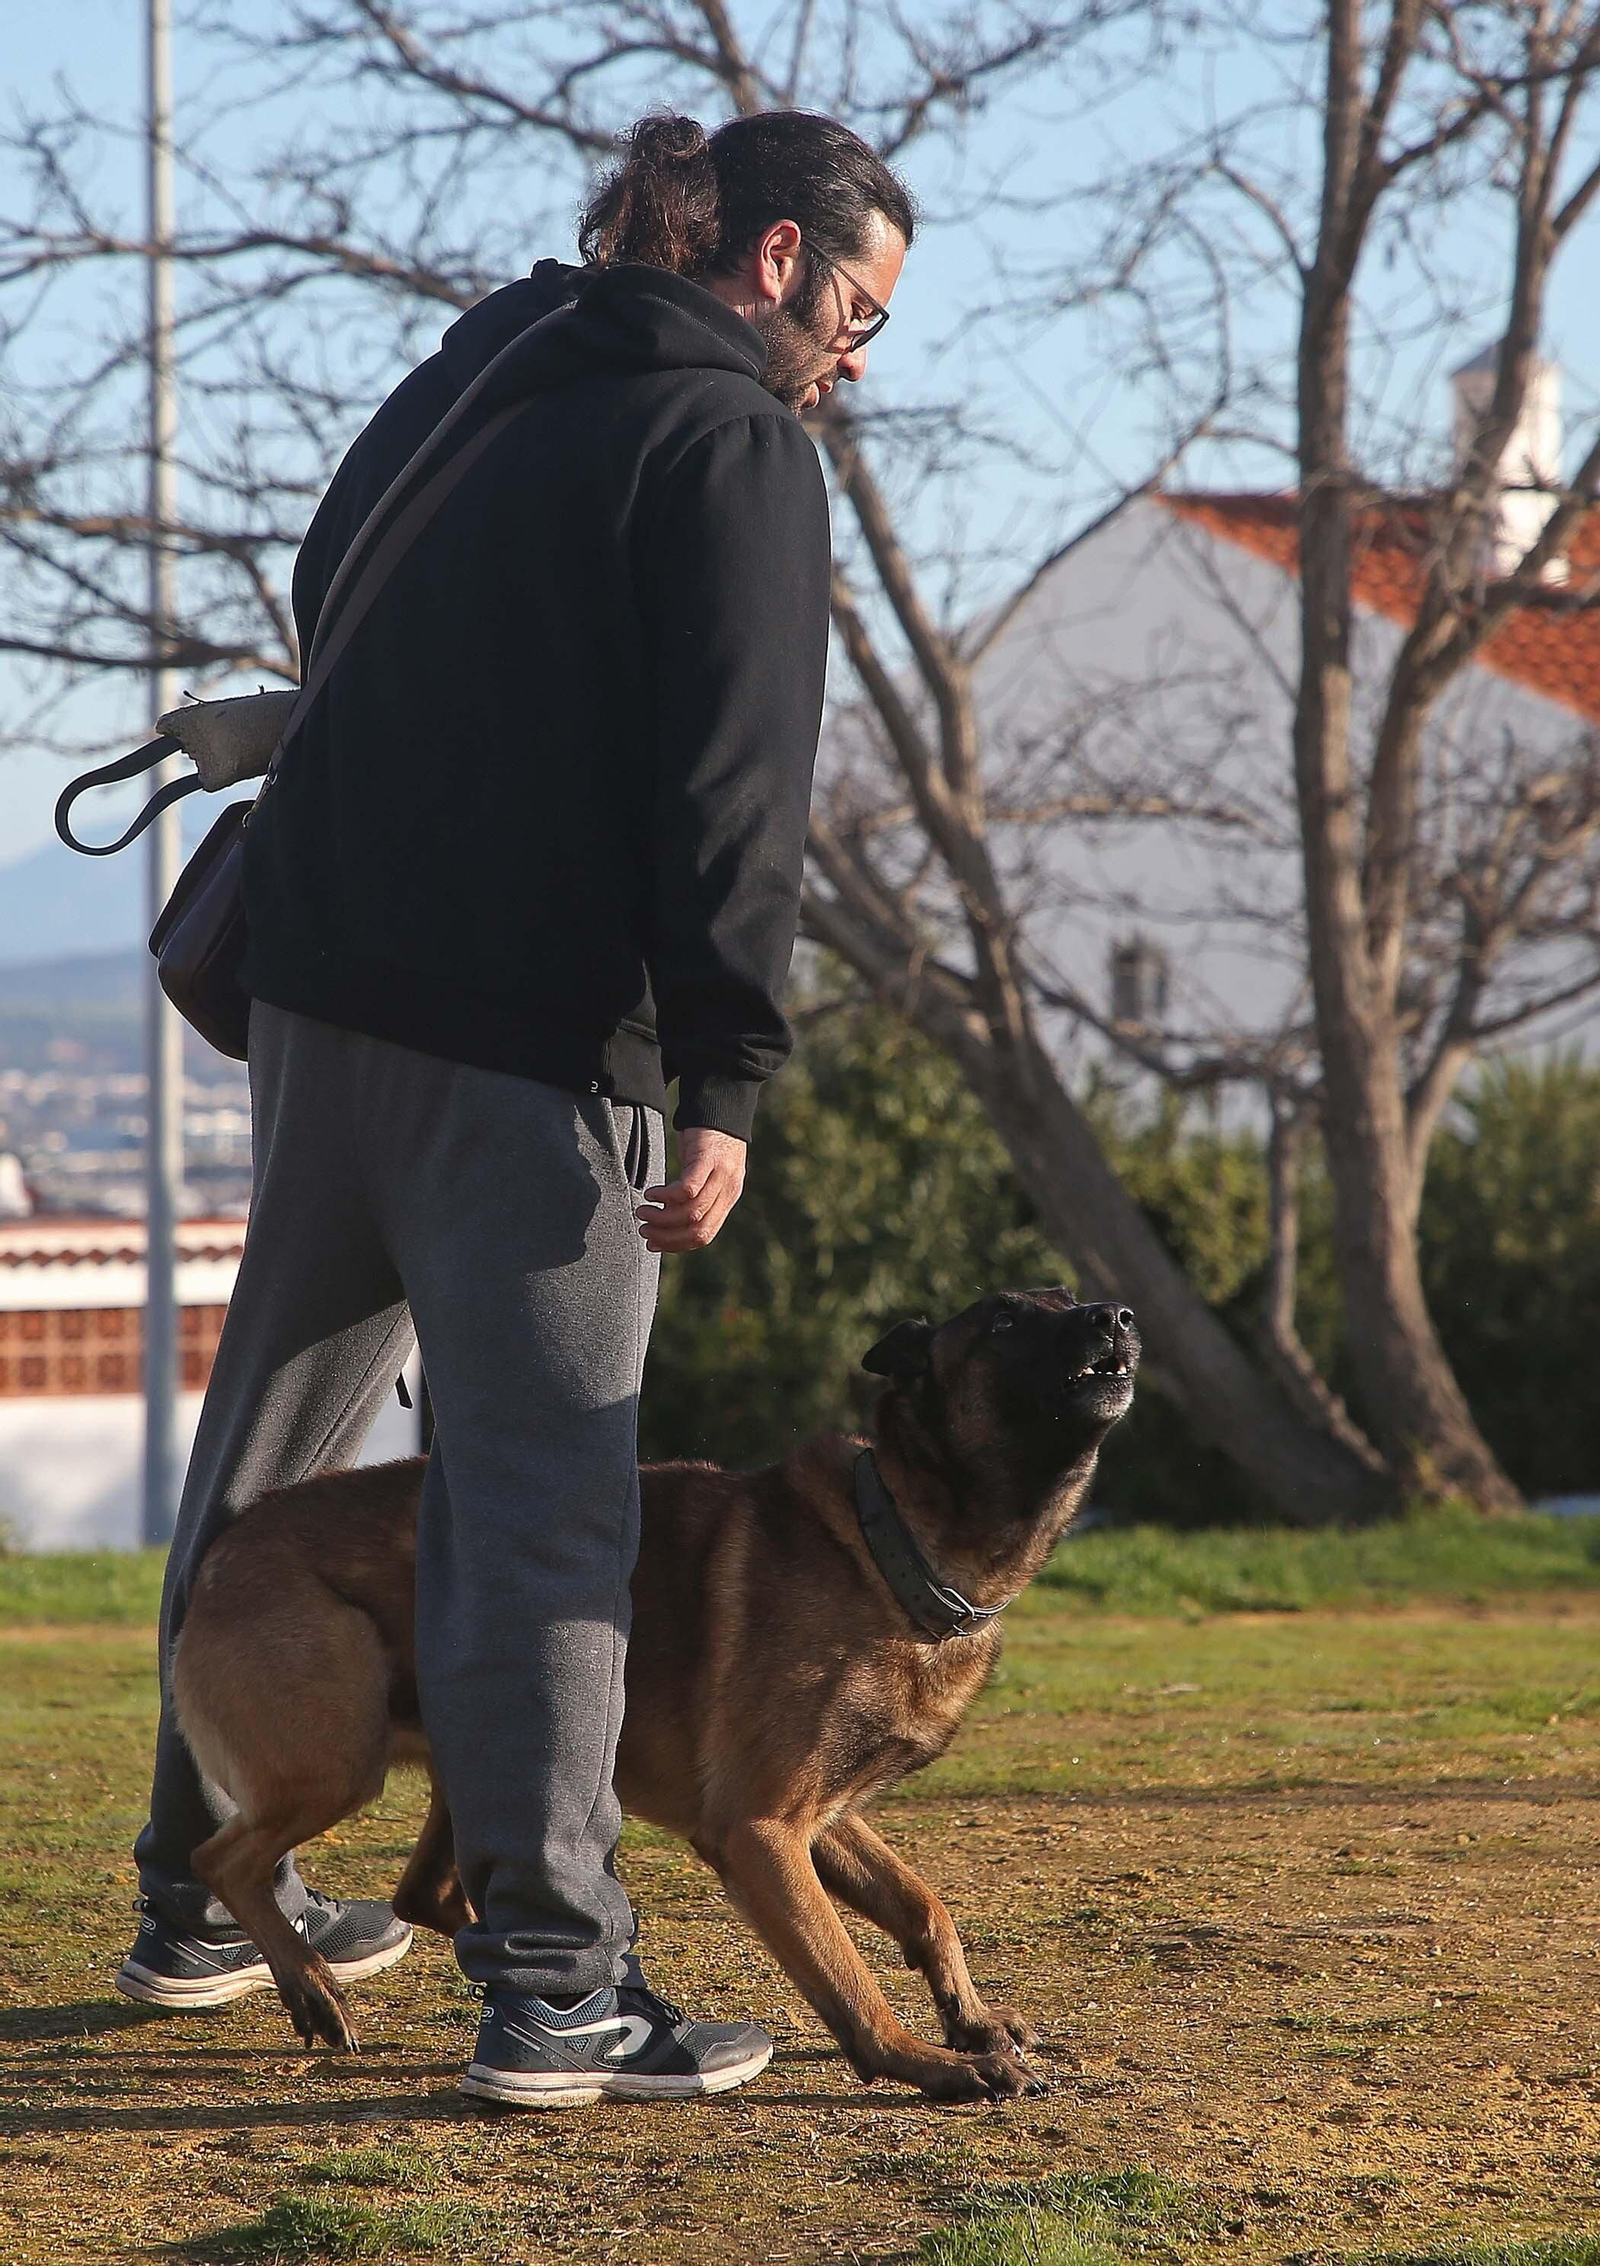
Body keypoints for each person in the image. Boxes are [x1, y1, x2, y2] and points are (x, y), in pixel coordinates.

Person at [116, 109, 913, 2110]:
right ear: (769, 258)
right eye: (856, 307)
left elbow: (332, 581)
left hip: (318, 999)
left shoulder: (490, 356)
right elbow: (735, 783)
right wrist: (724, 1070)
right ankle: (556, 1985)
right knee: (548, 1510)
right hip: (532, 1054)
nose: (852, 356)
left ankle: (195, 1891)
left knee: (269, 1457)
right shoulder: (734, 443)